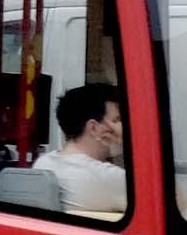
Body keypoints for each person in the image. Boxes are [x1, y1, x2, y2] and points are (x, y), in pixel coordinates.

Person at [43, 85, 128, 219]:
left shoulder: (44, 162)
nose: (125, 127)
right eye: (117, 120)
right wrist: (130, 147)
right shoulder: (107, 177)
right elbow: (169, 204)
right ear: (94, 128)